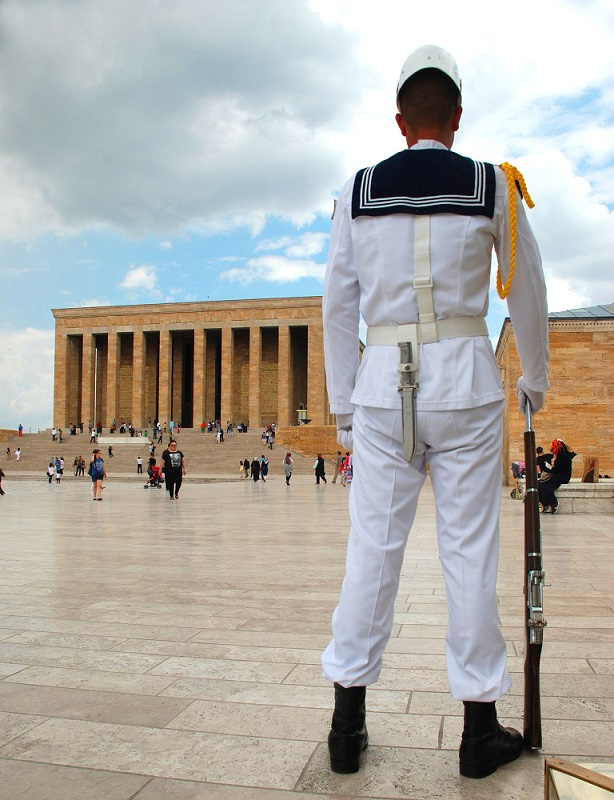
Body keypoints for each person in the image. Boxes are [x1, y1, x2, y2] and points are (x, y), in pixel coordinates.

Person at [320, 45, 549, 780]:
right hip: (466, 383)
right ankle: (478, 730)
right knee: (469, 555)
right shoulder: (491, 185)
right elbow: (530, 292)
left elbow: (336, 307)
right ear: (456, 116)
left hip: (384, 387)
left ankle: (346, 723)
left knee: (372, 552)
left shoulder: (358, 189)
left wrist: (343, 409)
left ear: (399, 121)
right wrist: (534, 384)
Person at [538, 439, 575, 513]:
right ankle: (545, 503)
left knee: (546, 486)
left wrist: (549, 469)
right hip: (558, 475)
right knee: (538, 484)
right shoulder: (561, 456)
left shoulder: (564, 456)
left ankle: (554, 503)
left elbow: (557, 469)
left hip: (562, 477)